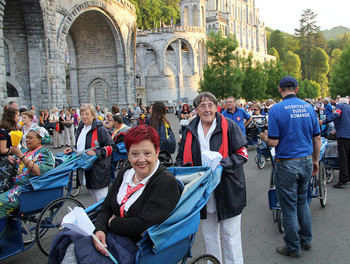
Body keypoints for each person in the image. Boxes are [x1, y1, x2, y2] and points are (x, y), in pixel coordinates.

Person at [49, 125, 180, 263]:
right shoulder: (127, 172)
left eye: (147, 153)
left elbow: (144, 224)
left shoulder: (165, 182)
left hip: (139, 246)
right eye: (135, 154)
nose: (141, 160)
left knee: (80, 254)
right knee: (68, 244)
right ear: (128, 154)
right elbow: (106, 206)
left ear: (157, 152)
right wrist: (100, 230)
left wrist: (113, 223)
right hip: (112, 236)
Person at [175, 92, 248, 264]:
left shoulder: (229, 126)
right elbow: (180, 158)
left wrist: (222, 165)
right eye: (202, 105)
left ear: (217, 107)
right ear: (196, 110)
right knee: (209, 236)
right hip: (202, 190)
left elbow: (242, 154)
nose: (207, 109)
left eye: (210, 105)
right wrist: (185, 173)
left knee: (230, 236)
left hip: (228, 188)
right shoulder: (190, 129)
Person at [260, 76, 321, 258]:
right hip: (306, 160)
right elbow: (316, 138)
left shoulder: (276, 109)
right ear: (297, 88)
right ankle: (306, 239)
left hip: (287, 163)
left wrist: (264, 137)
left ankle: (293, 248)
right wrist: (316, 160)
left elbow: (274, 141)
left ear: (280, 89)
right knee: (303, 201)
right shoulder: (309, 108)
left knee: (288, 208)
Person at [0, 127, 54, 239]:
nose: (27, 140)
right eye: (26, 138)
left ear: (40, 139)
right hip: (10, 186)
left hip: (24, 190)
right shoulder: (25, 151)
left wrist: (20, 155)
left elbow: (38, 171)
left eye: (30, 138)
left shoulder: (45, 153)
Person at [64, 104, 114, 203]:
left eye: (87, 114)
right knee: (93, 194)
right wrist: (72, 149)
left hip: (98, 169)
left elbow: (111, 147)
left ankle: (107, 217)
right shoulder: (81, 128)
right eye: (82, 114)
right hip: (86, 168)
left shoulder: (100, 129)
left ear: (93, 114)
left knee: (102, 199)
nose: (84, 116)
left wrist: (97, 152)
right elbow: (81, 145)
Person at [319, 97, 350, 188]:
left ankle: (343, 179)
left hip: (343, 136)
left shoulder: (340, 106)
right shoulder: (348, 108)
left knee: (343, 157)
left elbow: (336, 115)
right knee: (349, 157)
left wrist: (324, 121)